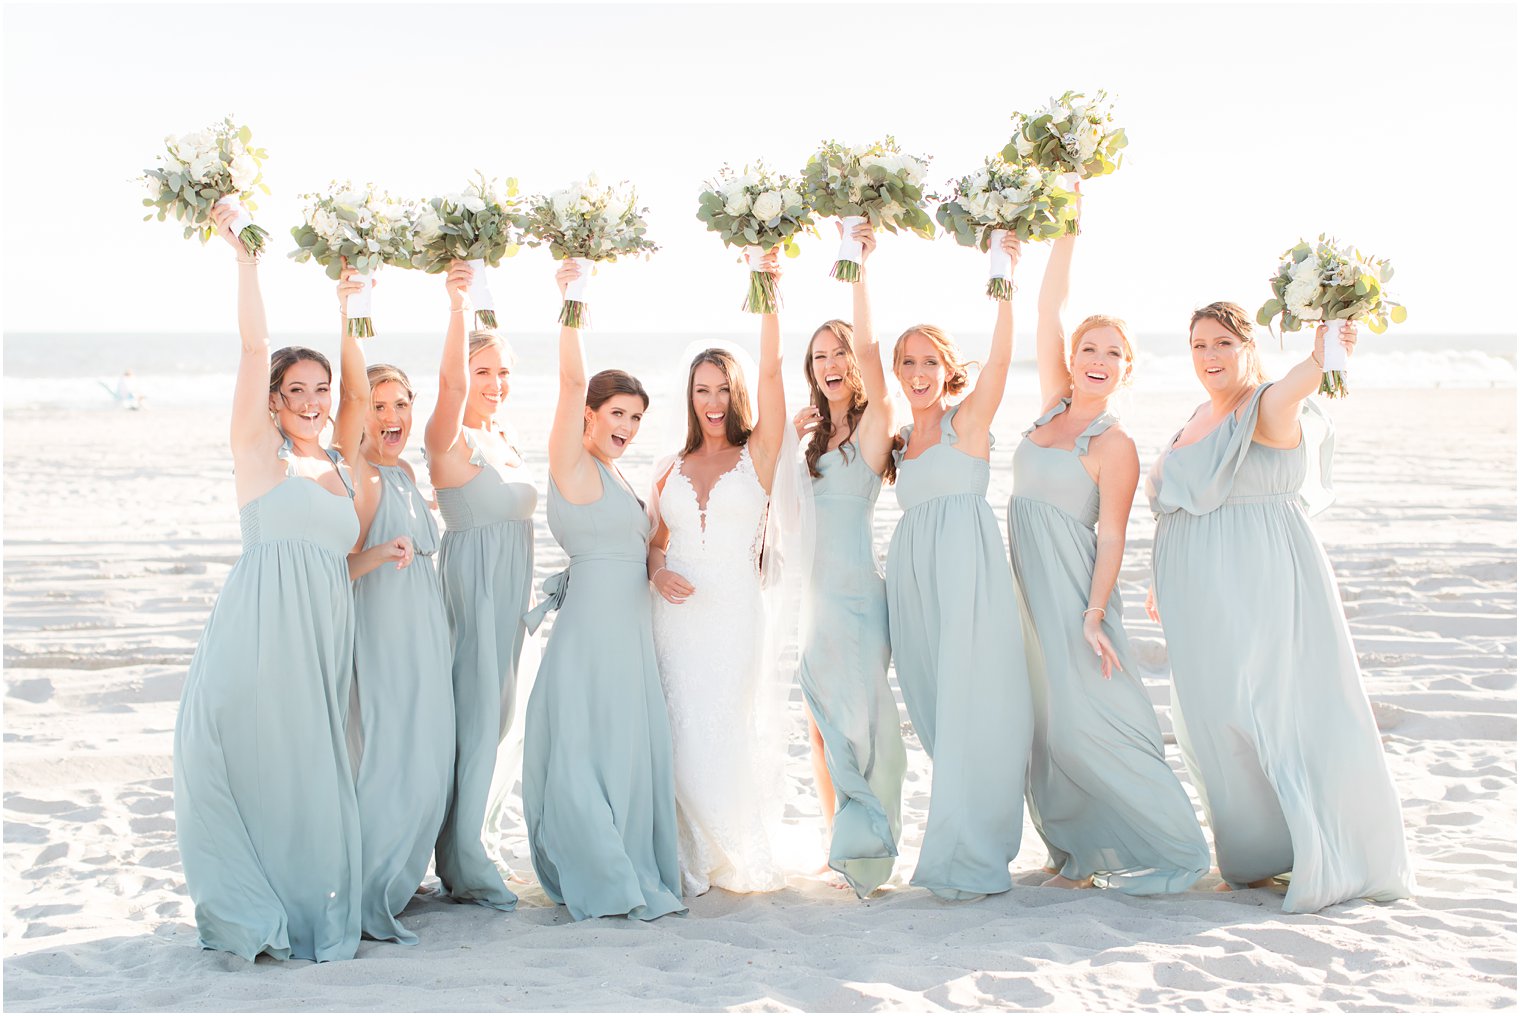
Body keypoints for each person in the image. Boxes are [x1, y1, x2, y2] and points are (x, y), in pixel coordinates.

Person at [1145, 301, 1415, 912]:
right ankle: (1257, 855)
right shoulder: (1196, 414)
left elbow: (1300, 383)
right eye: (1198, 345)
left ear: (1249, 349)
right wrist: (1162, 579)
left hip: (1258, 577)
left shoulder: (1264, 404)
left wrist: (1324, 351)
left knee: (1273, 706)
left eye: (1222, 344)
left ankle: (1324, 845)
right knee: (1214, 715)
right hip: (1197, 591)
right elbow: (1180, 506)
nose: (1210, 356)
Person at [173, 200, 363, 961]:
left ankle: (307, 901)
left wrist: (356, 303)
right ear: (275, 399)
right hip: (261, 634)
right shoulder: (259, 451)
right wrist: (246, 256)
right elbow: (254, 347)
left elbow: (356, 379)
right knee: (262, 764)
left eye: (321, 390)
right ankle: (257, 910)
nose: (313, 402)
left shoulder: (339, 462)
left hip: (323, 639)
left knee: (312, 773)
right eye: (297, 391)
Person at [1006, 215, 1209, 894]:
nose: (1097, 358)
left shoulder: (1113, 443)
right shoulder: (1047, 410)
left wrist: (1094, 616)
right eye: (1088, 347)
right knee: (1047, 727)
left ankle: (1177, 846)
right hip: (1026, 594)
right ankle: (1079, 845)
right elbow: (1047, 307)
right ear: (1071, 357)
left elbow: (1115, 535)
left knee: (1097, 724)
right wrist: (1065, 222)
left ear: (1127, 369)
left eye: (1113, 352)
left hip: (1074, 597)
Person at [519, 259, 685, 922]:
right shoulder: (574, 462)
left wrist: (656, 566)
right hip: (591, 632)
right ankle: (601, 869)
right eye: (618, 413)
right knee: (588, 749)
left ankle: (624, 855)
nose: (628, 425)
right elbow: (566, 381)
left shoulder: (619, 476)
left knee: (625, 745)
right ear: (589, 415)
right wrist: (573, 301)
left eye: (638, 417)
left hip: (629, 632)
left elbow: (639, 546)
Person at [884, 232, 1034, 901]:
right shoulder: (898, 440)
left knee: (977, 704)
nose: (918, 372)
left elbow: (1003, 360)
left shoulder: (964, 420)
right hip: (913, 584)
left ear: (947, 368)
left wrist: (1003, 279)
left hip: (967, 576)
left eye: (928, 361)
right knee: (936, 710)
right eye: (906, 362)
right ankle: (963, 831)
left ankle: (969, 852)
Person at [648, 252, 793, 896]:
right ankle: (688, 850)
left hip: (734, 609)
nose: (712, 401)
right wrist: (656, 572)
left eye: (721, 389)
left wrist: (768, 292)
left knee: (724, 723)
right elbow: (655, 542)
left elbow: (772, 369)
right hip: (673, 616)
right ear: (690, 396)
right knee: (678, 727)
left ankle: (729, 846)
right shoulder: (669, 465)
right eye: (700, 389)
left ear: (736, 394)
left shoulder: (757, 454)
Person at [792, 223, 906, 898]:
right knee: (819, 725)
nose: (831, 363)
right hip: (814, 599)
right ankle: (839, 840)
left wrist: (854, 266)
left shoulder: (870, 424)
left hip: (858, 598)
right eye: (818, 357)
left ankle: (869, 847)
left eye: (838, 353)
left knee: (860, 724)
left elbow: (871, 345)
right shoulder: (813, 434)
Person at [335, 303, 454, 943]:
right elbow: (337, 566)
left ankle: (403, 876)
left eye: (402, 404)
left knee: (428, 754)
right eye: (379, 406)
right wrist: (380, 553)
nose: (393, 418)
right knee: (390, 756)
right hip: (383, 638)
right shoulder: (358, 477)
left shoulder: (407, 471)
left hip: (425, 632)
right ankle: (371, 882)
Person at [425, 261, 538, 910]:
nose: (494, 385)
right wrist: (457, 306)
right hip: (473, 593)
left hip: (512, 597)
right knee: (475, 721)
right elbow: (445, 380)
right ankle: (464, 862)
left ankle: (481, 842)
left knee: (503, 724)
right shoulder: (449, 438)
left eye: (502, 373)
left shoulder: (504, 434)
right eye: (482, 373)